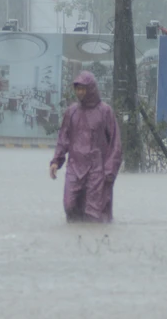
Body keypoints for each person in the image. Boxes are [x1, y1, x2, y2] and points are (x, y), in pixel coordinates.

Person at [49, 71, 122, 223]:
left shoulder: (105, 111)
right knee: (70, 205)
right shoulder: (72, 111)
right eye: (78, 89)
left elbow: (115, 143)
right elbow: (63, 138)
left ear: (91, 89)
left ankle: (94, 236)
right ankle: (75, 236)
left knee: (94, 214)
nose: (80, 92)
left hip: (97, 170)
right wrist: (56, 161)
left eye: (83, 88)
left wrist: (110, 170)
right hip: (74, 167)